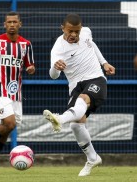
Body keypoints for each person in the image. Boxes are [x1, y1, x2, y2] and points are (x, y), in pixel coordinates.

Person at [43, 14, 115, 176]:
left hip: (95, 78)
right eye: (70, 31)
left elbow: (92, 45)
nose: (74, 35)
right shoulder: (58, 48)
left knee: (83, 100)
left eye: (77, 31)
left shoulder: (86, 32)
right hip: (75, 85)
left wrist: (104, 63)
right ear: (63, 28)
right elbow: (53, 75)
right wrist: (56, 67)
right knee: (76, 124)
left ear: (81, 29)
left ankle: (60, 119)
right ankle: (92, 158)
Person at [0, 11, 35, 166]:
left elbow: (30, 65)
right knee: (9, 124)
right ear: (5, 24)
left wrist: (31, 69)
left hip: (16, 93)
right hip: (0, 89)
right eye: (9, 22)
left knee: (7, 129)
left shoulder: (26, 44)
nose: (12, 25)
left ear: (20, 24)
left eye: (15, 22)